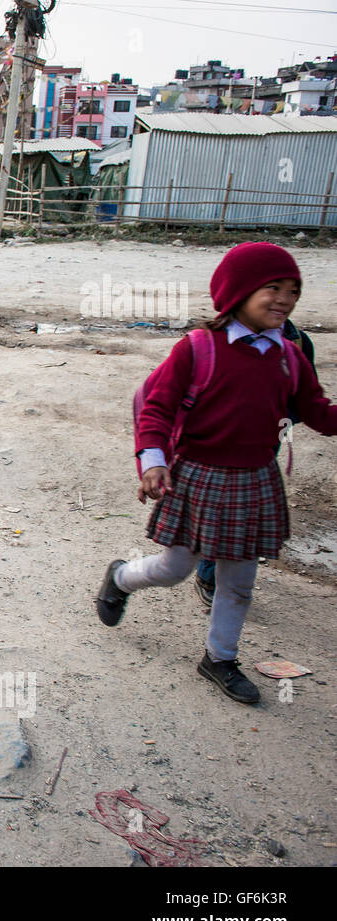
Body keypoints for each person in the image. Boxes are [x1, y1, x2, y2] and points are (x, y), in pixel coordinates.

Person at [94, 243, 337, 704]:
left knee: (239, 582)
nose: (285, 299)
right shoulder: (197, 349)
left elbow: (319, 413)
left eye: (293, 291)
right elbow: (158, 409)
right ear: (239, 292)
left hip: (255, 480)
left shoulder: (290, 355)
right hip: (199, 477)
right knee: (174, 568)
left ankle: (220, 658)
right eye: (273, 288)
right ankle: (122, 577)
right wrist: (154, 462)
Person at [192, 316, 317, 606]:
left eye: (289, 291)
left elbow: (304, 400)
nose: (280, 301)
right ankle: (208, 574)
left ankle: (223, 579)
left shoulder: (297, 341)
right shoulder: (215, 340)